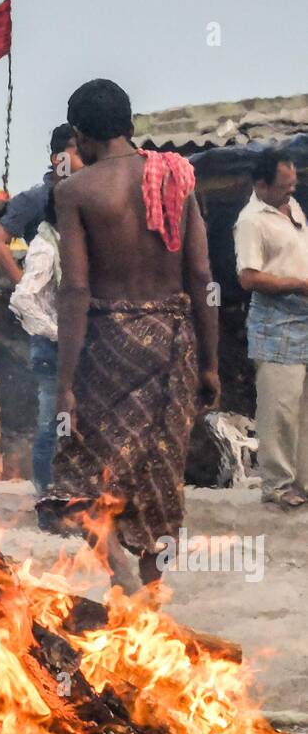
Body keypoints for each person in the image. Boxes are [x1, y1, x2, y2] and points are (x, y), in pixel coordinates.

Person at [39, 78, 221, 592]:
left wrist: (66, 384)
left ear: (80, 134)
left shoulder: (74, 191)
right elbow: (202, 278)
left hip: (107, 344)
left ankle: (120, 572)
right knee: (161, 475)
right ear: (130, 124)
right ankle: (149, 597)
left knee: (79, 471)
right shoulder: (175, 178)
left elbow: (74, 290)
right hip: (172, 342)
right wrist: (208, 361)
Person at [0, 124, 83, 492]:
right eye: (75, 151)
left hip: (77, 329)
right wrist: (28, 287)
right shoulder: (37, 199)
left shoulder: (87, 194)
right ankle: (47, 495)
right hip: (51, 329)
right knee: (52, 418)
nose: (81, 159)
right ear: (57, 157)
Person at [234, 147, 308, 510]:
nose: (291, 192)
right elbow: (248, 278)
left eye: (293, 185)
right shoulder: (251, 220)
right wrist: (299, 285)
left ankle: (303, 482)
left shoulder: (292, 209)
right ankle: (278, 485)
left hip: (304, 320)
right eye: (284, 186)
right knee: (279, 409)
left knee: (303, 409)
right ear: (261, 185)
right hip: (275, 323)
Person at [7, 192, 63, 492]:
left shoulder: (68, 241)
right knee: (50, 426)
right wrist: (55, 331)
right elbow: (22, 299)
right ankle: (45, 494)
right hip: (52, 347)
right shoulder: (45, 247)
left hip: (73, 346)